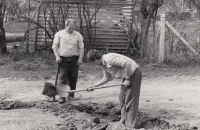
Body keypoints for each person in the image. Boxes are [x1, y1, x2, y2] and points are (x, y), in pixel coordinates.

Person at [86, 49, 142, 128]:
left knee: (130, 101)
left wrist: (128, 79)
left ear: (95, 59)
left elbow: (127, 63)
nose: (94, 64)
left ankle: (130, 126)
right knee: (122, 99)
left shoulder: (109, 58)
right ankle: (123, 123)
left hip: (133, 74)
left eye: (93, 62)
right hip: (126, 76)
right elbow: (106, 78)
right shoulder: (103, 65)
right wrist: (94, 86)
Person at [52, 19, 84, 103]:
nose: (72, 30)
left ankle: (71, 95)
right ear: (65, 26)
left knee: (73, 78)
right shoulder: (59, 34)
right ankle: (62, 97)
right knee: (62, 78)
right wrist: (57, 57)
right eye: (70, 28)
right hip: (63, 60)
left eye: (73, 28)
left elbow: (81, 47)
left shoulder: (78, 35)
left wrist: (80, 59)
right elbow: (54, 46)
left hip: (74, 60)